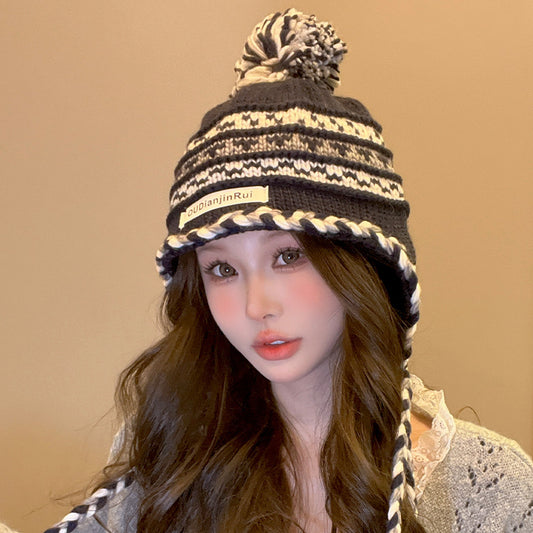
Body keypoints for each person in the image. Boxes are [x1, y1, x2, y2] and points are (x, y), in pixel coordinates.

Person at [44, 8, 533, 533]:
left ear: (363, 261)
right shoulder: (173, 448)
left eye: (287, 256)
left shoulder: (488, 488)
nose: (257, 306)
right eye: (222, 269)